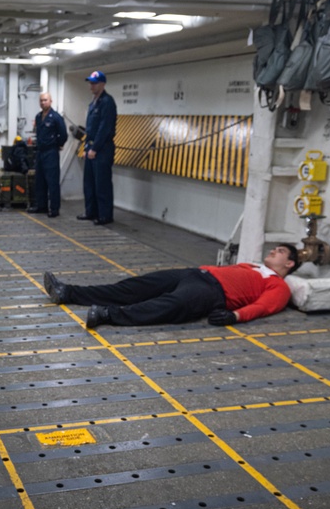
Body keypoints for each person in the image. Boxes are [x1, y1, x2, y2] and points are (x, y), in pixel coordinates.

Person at [44, 244, 300, 328]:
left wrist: (235, 315)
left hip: (212, 292)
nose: (274, 251)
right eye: (275, 248)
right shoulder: (253, 266)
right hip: (195, 274)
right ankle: (68, 292)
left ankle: (107, 314)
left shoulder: (279, 286)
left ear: (289, 264)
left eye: (280, 252)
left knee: (170, 306)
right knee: (133, 286)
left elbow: (263, 307)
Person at [78, 70, 117, 226]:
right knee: (89, 183)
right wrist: (87, 147)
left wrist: (95, 148)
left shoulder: (107, 102)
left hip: (102, 149)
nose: (91, 86)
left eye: (94, 83)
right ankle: (91, 211)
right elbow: (90, 128)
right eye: (90, 83)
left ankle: (105, 215)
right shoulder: (93, 103)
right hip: (91, 147)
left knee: (102, 184)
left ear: (102, 84)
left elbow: (104, 128)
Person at [26, 92, 68, 217]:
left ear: (51, 101)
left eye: (45, 100)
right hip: (40, 152)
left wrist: (58, 145)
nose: (43, 102)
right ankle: (41, 206)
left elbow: (64, 135)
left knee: (52, 181)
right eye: (41, 100)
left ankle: (54, 209)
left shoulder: (56, 117)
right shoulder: (39, 117)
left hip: (51, 152)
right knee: (40, 181)